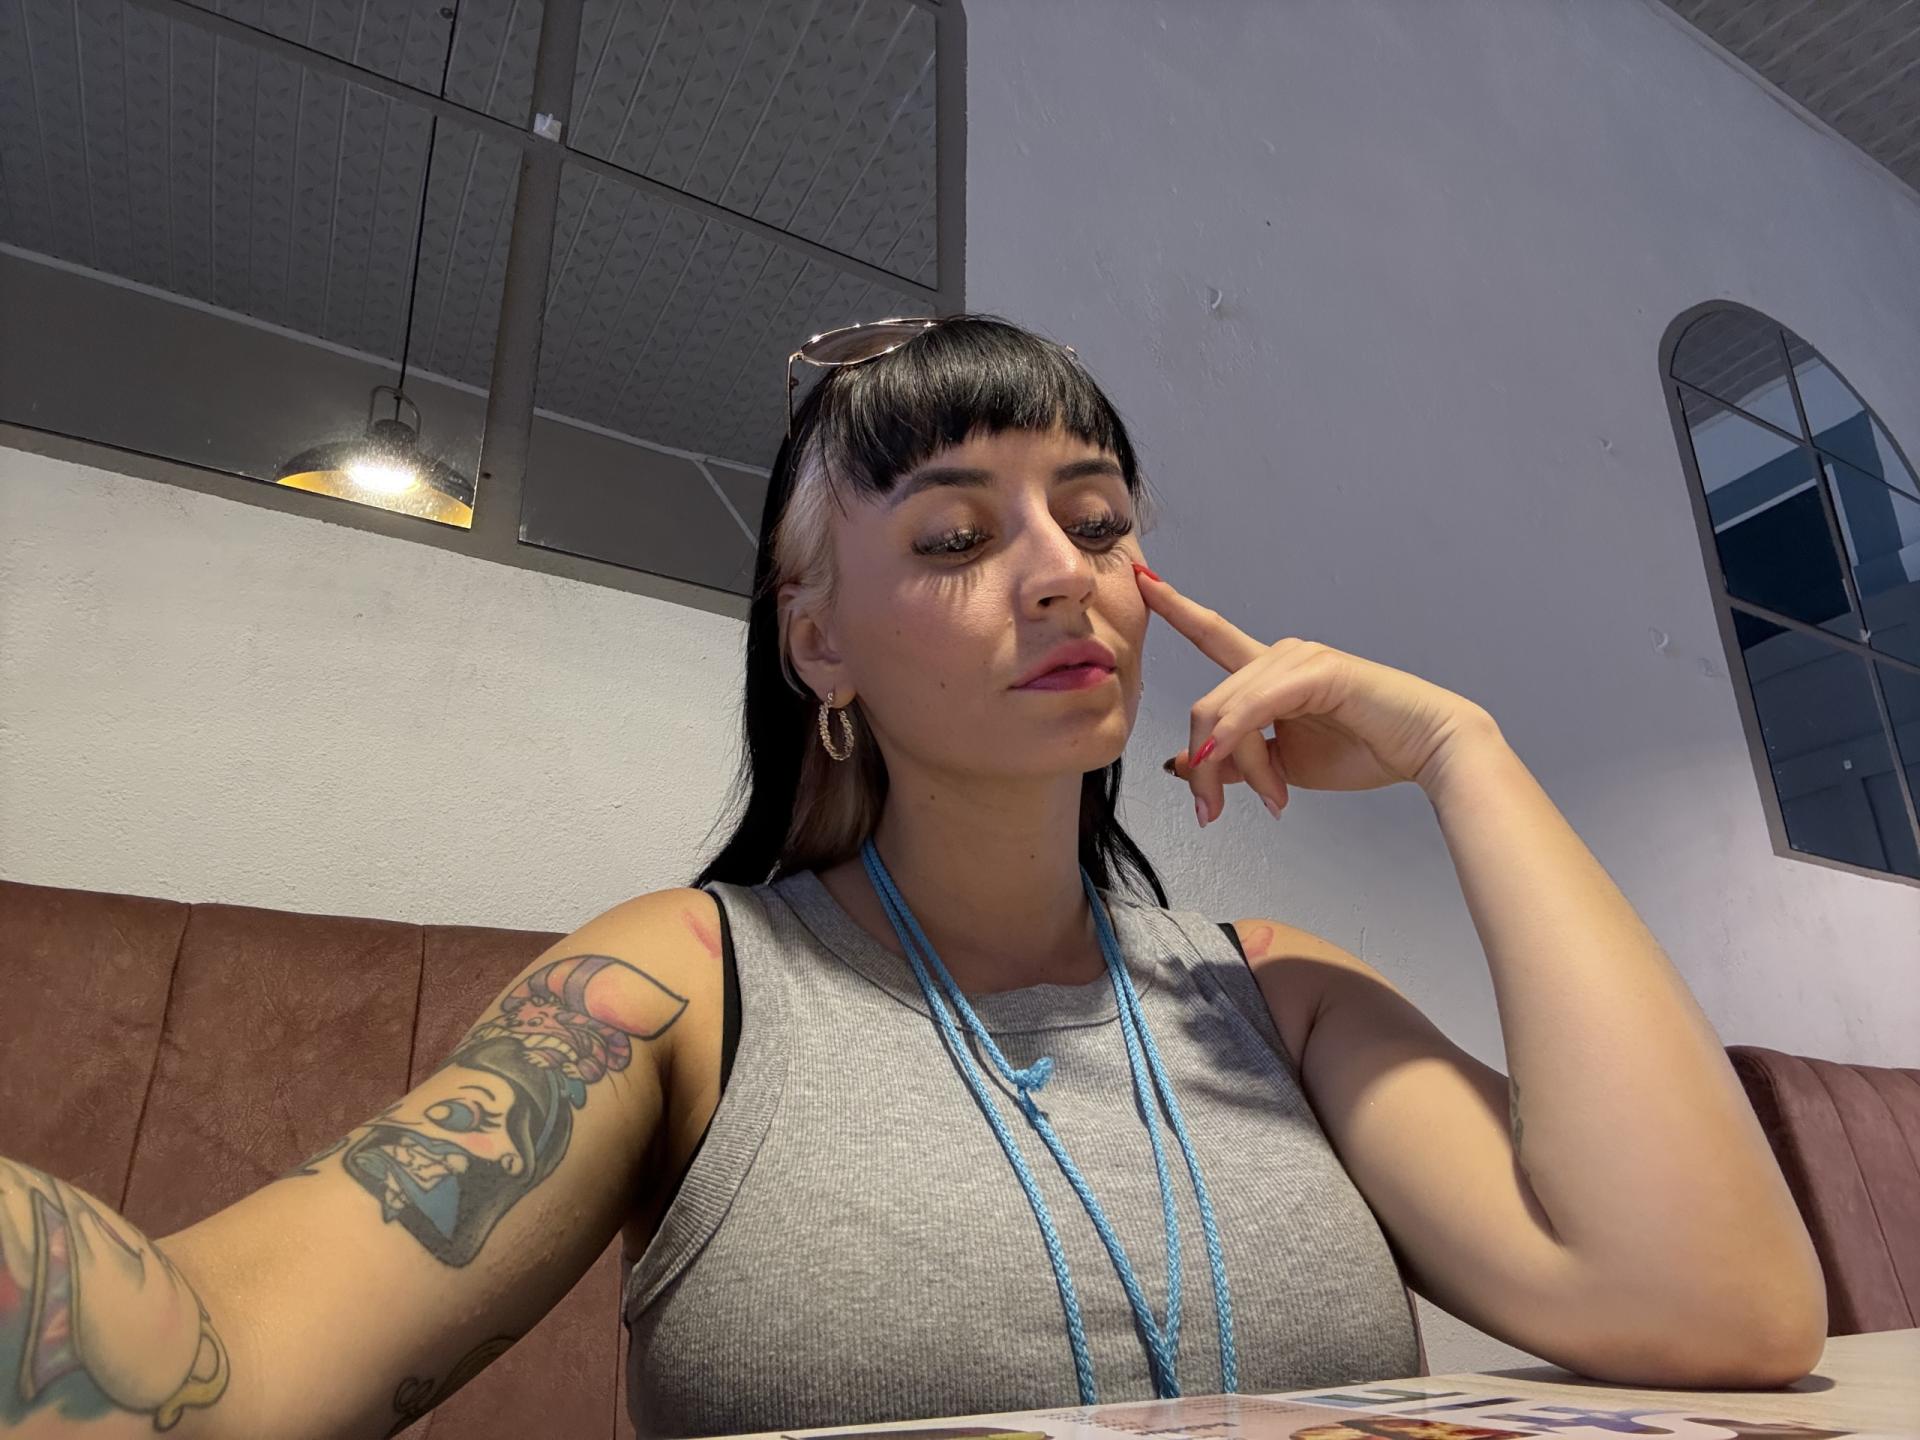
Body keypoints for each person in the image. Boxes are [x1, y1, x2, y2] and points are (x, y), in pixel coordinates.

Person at [0, 315, 1827, 1440]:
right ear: (820, 640)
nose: (1063, 572)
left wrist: (1463, 756)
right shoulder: (684, 982)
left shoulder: (1270, 993)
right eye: (955, 535)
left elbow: (1721, 1312)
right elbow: (216, 1361)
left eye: (1099, 522)